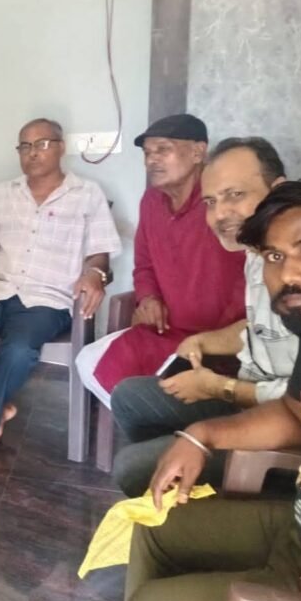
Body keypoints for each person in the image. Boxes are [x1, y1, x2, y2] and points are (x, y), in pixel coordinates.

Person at [120, 179, 301, 601]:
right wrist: (201, 437)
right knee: (150, 525)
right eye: (275, 257)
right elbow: (296, 414)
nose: (289, 273)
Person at [110, 138, 297, 496]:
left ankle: (222, 490)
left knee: (131, 466)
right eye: (210, 202)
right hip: (245, 398)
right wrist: (203, 341)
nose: (220, 214)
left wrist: (217, 388)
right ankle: (185, 488)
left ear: (278, 190)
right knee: (129, 397)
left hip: (286, 429)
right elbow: (260, 328)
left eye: (235, 195)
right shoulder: (256, 253)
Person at [0, 118, 121, 452]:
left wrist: (95, 274)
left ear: (61, 147)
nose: (32, 152)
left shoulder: (87, 194)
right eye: (25, 146)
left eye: (42, 144)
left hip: (47, 299)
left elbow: (100, 254)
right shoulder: (1, 194)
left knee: (19, 350)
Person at [75, 114, 246, 407]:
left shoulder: (222, 204)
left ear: (198, 152)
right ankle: (148, 422)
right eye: (147, 153)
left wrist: (221, 336)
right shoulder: (151, 200)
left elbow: (248, 273)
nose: (151, 160)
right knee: (88, 362)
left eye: (163, 149)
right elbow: (144, 264)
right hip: (166, 329)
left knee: (162, 390)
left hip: (220, 338)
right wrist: (148, 297)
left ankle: (160, 422)